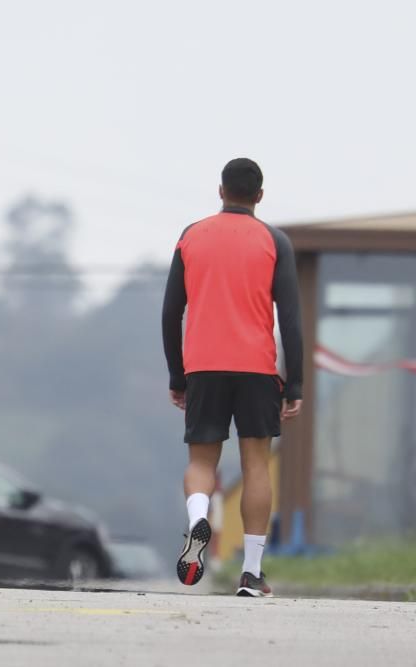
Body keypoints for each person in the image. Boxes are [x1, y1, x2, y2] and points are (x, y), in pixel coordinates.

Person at [162, 158, 303, 597]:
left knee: (202, 462)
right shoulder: (274, 241)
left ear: (220, 191)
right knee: (256, 464)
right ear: (259, 196)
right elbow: (292, 320)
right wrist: (293, 382)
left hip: (203, 365)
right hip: (257, 368)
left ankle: (199, 515)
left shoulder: (191, 236)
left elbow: (171, 312)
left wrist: (177, 374)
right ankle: (252, 573)